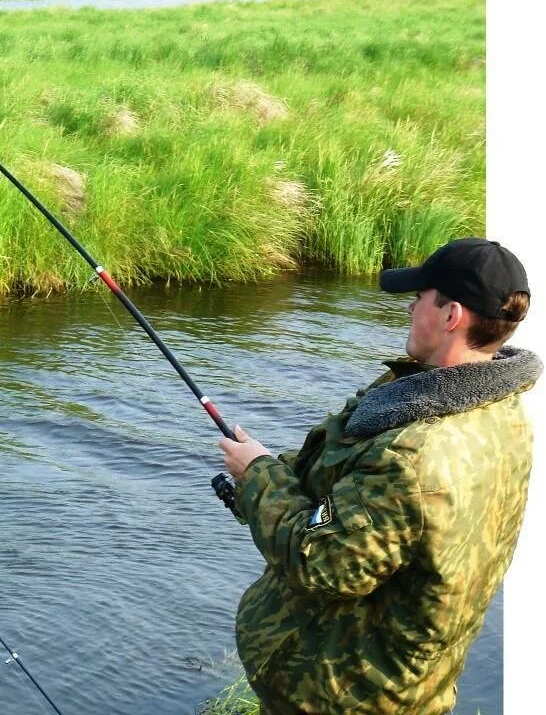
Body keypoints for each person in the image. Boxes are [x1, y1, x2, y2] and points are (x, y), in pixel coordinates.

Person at [217, 237, 542, 715]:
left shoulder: (410, 457)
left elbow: (322, 564)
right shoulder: (504, 413)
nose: (410, 307)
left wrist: (259, 478)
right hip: (418, 683)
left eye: (420, 297)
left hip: (349, 695)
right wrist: (273, 469)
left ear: (452, 315)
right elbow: (352, 486)